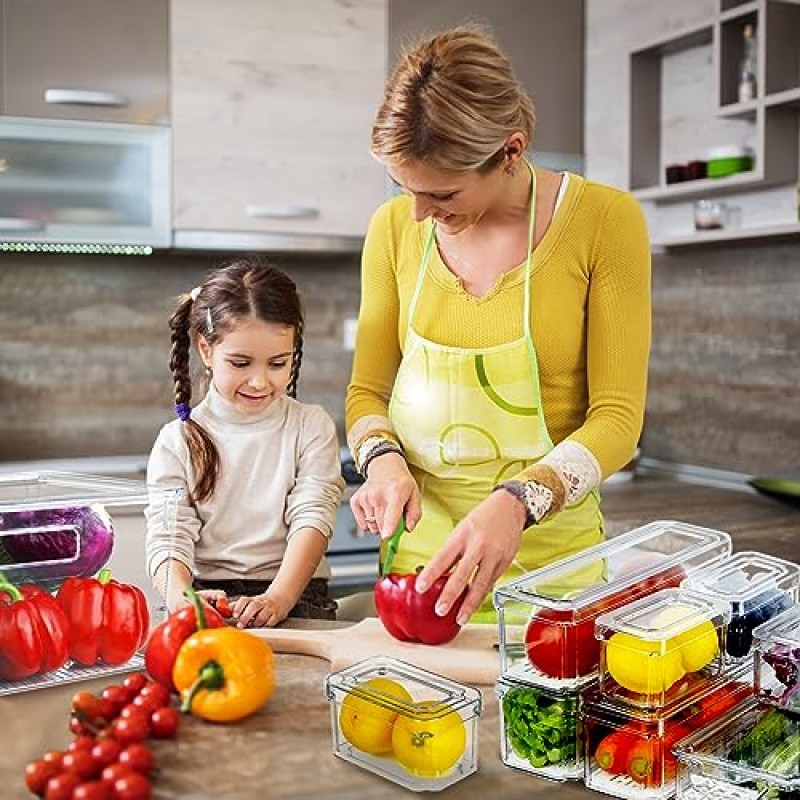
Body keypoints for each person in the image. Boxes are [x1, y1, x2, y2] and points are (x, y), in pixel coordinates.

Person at [345, 25, 651, 625]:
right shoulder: (392, 228)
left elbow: (617, 420)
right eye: (403, 188)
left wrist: (517, 502)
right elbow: (366, 394)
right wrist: (381, 459)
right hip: (419, 568)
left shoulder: (605, 222)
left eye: (442, 193)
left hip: (552, 566)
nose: (417, 213)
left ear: (511, 151)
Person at [145, 256, 344, 627]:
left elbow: (313, 516)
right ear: (206, 350)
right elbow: (168, 534)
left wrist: (280, 597)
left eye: (277, 363)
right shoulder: (178, 441)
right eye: (240, 363)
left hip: (297, 594)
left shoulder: (310, 426)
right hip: (208, 595)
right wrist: (180, 598)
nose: (259, 382)